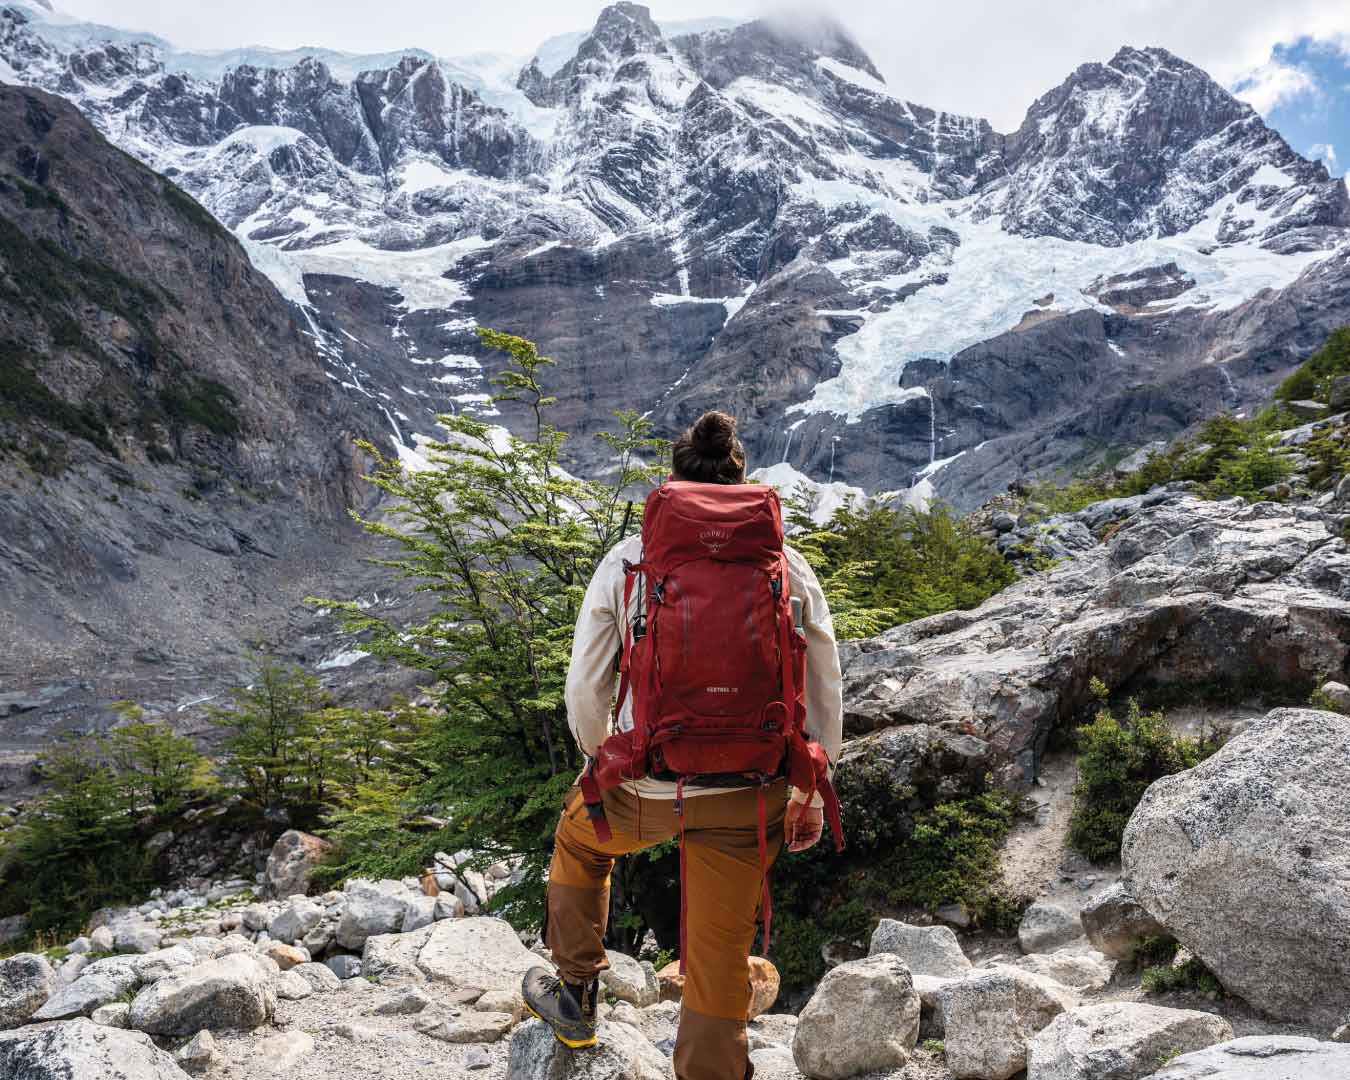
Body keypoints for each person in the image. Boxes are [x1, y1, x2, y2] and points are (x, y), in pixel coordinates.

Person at [521, 411, 844, 1080]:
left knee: (579, 841)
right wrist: (812, 788)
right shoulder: (785, 565)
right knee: (721, 958)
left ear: (673, 484)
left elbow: (586, 685)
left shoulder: (629, 561)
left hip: (645, 784)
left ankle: (577, 996)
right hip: (748, 793)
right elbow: (825, 682)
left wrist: (598, 759)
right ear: (741, 478)